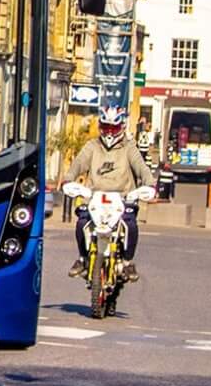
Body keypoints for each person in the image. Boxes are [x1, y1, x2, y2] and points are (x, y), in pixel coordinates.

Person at [60, 106, 156, 282]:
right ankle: (83, 258)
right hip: (94, 197)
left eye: (114, 128)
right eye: (106, 127)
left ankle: (127, 262)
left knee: (131, 225)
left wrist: (149, 184)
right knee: (82, 222)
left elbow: (141, 168)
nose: (109, 133)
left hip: (122, 198)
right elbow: (78, 164)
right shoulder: (92, 146)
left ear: (122, 127)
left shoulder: (129, 148)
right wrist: (68, 179)